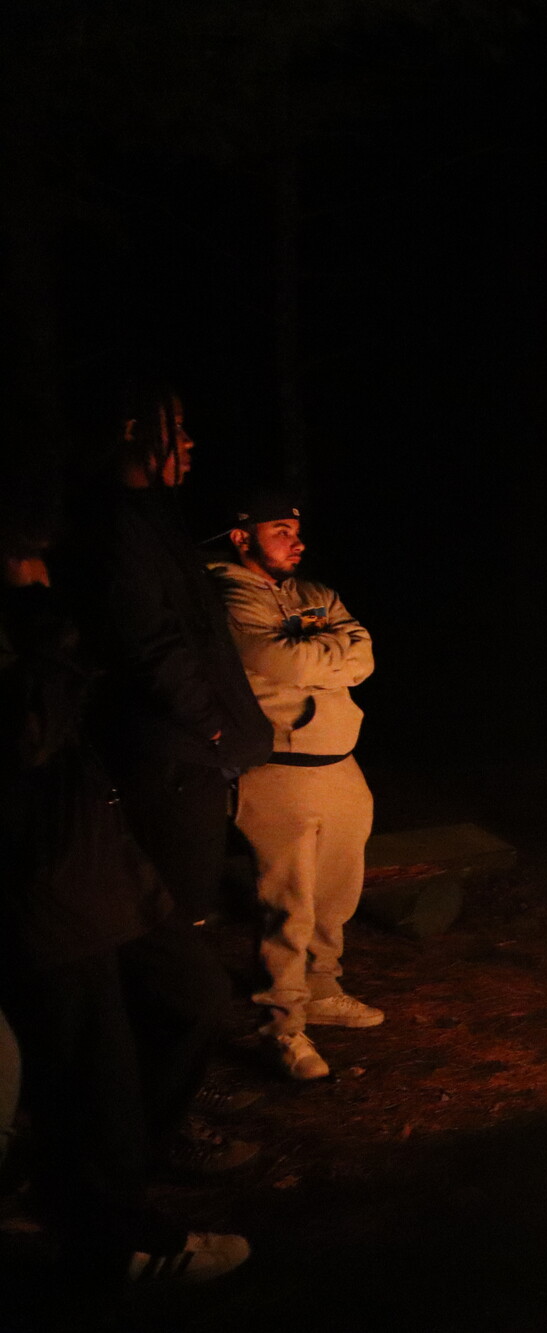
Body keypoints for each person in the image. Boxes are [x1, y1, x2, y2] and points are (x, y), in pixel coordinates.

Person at [0, 486, 251, 1285]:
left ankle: (99, 1185)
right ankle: (114, 1241)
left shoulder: (37, 605)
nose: (40, 566)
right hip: (43, 880)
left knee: (197, 1002)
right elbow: (27, 736)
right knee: (94, 1067)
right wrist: (43, 626)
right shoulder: (23, 621)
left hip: (104, 857)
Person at [66, 383, 272, 925]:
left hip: (189, 750)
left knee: (187, 902)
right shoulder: (112, 523)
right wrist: (213, 724)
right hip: (170, 755)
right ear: (132, 432)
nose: (189, 441)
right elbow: (149, 638)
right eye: (175, 428)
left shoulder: (153, 515)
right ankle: (176, 1004)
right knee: (173, 912)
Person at [209, 494, 380, 1080]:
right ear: (241, 537)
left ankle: (324, 989)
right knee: (289, 904)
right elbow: (277, 660)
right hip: (280, 766)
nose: (296, 541)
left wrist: (318, 652)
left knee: (337, 890)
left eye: (297, 530)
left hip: (340, 759)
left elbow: (365, 655)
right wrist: (325, 654)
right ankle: (284, 1026)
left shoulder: (315, 594)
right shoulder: (228, 595)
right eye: (280, 530)